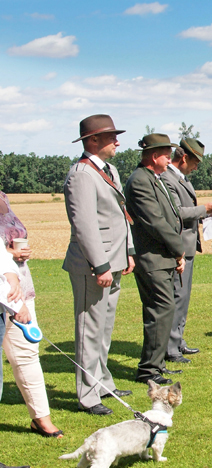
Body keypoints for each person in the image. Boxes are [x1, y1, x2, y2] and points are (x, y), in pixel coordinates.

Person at [63, 114, 135, 416]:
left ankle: (104, 382)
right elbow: (85, 225)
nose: (117, 141)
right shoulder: (81, 174)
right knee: (88, 329)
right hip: (94, 264)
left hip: (115, 259)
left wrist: (129, 250)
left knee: (104, 328)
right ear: (93, 140)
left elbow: (120, 212)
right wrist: (101, 264)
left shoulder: (109, 170)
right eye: (111, 136)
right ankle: (88, 394)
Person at [124, 133, 185, 385]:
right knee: (159, 311)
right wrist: (178, 248)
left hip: (163, 256)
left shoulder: (154, 178)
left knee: (164, 310)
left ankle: (157, 365)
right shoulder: (140, 180)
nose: (170, 158)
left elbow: (169, 216)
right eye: (166, 154)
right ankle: (149, 370)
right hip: (152, 258)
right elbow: (155, 222)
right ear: (153, 156)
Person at [0, 193, 63, 436]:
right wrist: (8, 257)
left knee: (27, 354)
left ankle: (41, 419)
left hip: (20, 286)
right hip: (8, 290)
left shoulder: (4, 197)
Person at [160, 139, 212, 363]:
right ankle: (171, 347)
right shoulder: (168, 178)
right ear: (184, 157)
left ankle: (178, 340)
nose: (197, 167)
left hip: (188, 246)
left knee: (183, 298)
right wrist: (203, 209)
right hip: (178, 247)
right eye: (195, 161)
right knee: (177, 296)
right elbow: (177, 212)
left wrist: (206, 214)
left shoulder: (180, 178)